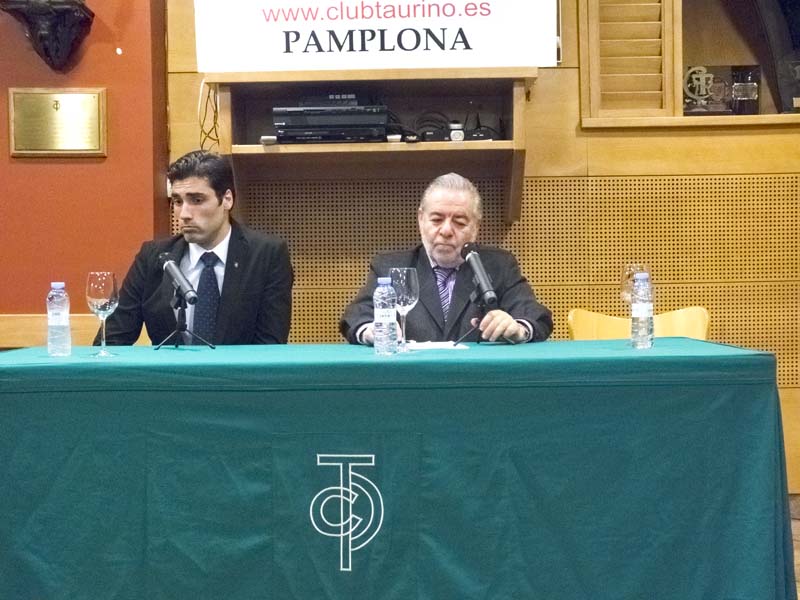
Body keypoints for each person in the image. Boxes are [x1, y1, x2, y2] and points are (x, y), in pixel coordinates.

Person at [100, 150, 293, 345]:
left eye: (197, 200)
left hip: (240, 366)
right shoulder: (153, 257)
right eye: (178, 201)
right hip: (168, 366)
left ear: (227, 199)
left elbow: (270, 346)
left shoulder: (267, 255)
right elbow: (111, 340)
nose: (184, 214)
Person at [340, 173, 552, 345]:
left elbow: (536, 317)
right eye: (436, 219)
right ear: (421, 219)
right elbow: (356, 317)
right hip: (410, 377)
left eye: (459, 222)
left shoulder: (499, 266)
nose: (446, 231)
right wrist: (370, 331)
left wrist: (519, 329)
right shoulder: (390, 267)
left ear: (476, 227)